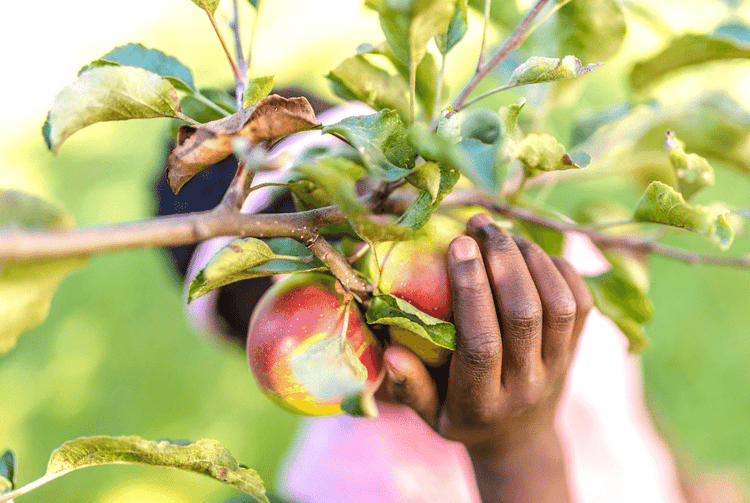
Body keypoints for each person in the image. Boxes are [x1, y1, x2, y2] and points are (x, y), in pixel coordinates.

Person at [156, 99, 746, 503]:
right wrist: (512, 450)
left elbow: (619, 400)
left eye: (362, 240)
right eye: (289, 289)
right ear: (251, 341)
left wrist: (686, 486)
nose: (370, 300)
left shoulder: (540, 288)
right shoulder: (344, 484)